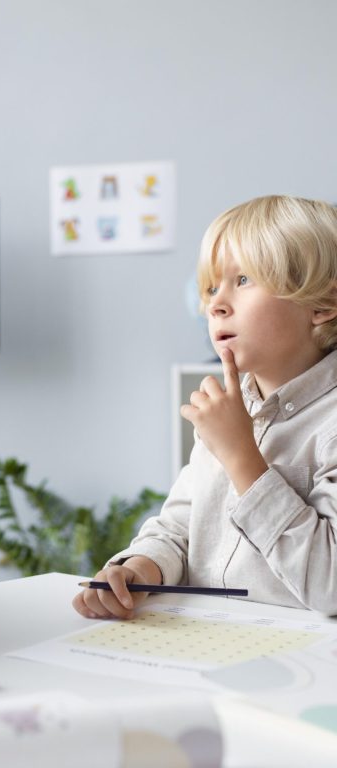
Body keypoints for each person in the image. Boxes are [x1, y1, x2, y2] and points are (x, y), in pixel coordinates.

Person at [73, 195, 337, 621]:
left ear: (323, 304)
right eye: (212, 287)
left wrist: (241, 455)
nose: (215, 304)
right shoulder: (223, 412)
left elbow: (331, 585)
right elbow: (182, 527)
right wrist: (141, 567)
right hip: (208, 646)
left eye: (244, 280)